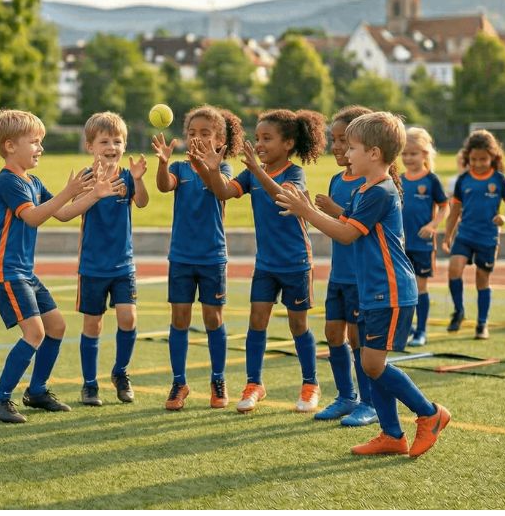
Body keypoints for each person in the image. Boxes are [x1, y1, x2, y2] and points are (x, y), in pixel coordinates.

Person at [277, 111, 451, 458]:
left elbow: (345, 235)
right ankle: (391, 435)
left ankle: (430, 413)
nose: (347, 153)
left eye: (353, 147)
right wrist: (321, 209)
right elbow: (349, 223)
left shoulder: (381, 191)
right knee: (371, 362)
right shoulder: (366, 189)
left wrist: (306, 211)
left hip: (390, 290)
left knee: (372, 364)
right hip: (373, 290)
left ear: (373, 153)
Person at [0, 109, 119, 424]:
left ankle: (37, 390)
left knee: (56, 326)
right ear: (9, 146)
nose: (40, 148)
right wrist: (69, 191)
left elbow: (63, 214)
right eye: (35, 142)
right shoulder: (7, 181)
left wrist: (94, 194)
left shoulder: (34, 181)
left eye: (41, 141)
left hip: (24, 272)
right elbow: (33, 216)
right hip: (5, 270)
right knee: (34, 332)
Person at [190, 109, 326, 414]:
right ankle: (254, 384)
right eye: (257, 138)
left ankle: (310, 384)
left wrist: (257, 169)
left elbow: (284, 198)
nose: (259, 144)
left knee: (298, 325)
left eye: (267, 138)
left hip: (296, 262)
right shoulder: (253, 172)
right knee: (256, 322)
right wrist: (209, 169)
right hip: (266, 264)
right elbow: (224, 190)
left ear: (288, 143)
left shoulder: (294, 173)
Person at [151, 106, 244, 411]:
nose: (197, 138)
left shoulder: (223, 170)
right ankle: (179, 382)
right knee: (179, 319)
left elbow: (219, 191)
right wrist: (163, 163)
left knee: (212, 319)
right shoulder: (179, 168)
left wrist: (206, 165)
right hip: (181, 256)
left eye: (206, 133)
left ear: (219, 140)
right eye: (192, 133)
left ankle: (218, 379)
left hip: (212, 257)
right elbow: (164, 186)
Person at [74, 112, 148, 406]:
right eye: (104, 141)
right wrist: (94, 191)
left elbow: (141, 202)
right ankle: (90, 384)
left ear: (124, 145)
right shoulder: (86, 177)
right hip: (92, 266)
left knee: (128, 318)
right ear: (90, 146)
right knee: (93, 325)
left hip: (123, 265)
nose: (111, 146)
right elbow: (73, 208)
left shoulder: (128, 177)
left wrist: (139, 181)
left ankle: (120, 372)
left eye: (117, 141)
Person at [312, 105, 378, 427]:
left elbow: (354, 225)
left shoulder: (372, 183)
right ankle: (345, 396)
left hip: (361, 277)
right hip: (338, 275)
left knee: (358, 339)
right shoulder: (337, 178)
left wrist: (332, 209)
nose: (337, 147)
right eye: (334, 139)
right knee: (332, 333)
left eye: (345, 141)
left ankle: (368, 402)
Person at [442, 130, 505, 340]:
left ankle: (482, 324)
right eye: (473, 159)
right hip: (465, 234)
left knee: (481, 280)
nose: (478, 163)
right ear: (468, 158)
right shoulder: (463, 180)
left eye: (483, 159)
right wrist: (447, 235)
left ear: (493, 157)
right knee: (453, 269)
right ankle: (459, 311)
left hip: (488, 238)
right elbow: (455, 210)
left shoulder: (499, 180)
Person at [400, 128, 449, 347]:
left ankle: (421, 331)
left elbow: (444, 207)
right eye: (405, 154)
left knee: (420, 288)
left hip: (422, 244)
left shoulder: (431, 180)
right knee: (401, 287)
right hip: (400, 244)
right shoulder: (397, 180)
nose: (408, 158)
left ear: (425, 154)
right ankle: (406, 326)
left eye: (413, 153)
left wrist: (433, 225)